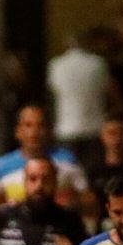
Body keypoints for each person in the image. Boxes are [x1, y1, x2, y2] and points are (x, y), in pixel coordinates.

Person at [0, 103, 90, 218]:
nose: (34, 132)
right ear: (18, 131)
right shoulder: (2, 165)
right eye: (28, 125)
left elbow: (87, 199)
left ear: (48, 129)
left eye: (40, 125)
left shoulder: (67, 159)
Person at [46, 30, 111, 176]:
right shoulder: (98, 63)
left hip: (66, 128)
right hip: (94, 126)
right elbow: (107, 90)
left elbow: (53, 92)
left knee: (67, 173)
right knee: (93, 173)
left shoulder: (56, 65)